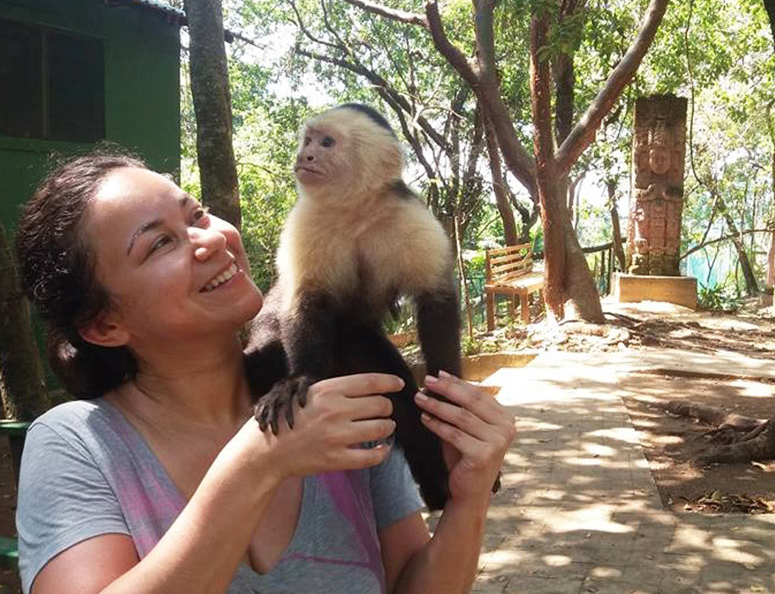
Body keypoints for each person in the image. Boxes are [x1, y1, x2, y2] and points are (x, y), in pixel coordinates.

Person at [14, 153, 515, 594]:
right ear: (104, 324)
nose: (210, 239)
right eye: (160, 244)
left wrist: (468, 500)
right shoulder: (76, 444)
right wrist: (256, 464)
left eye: (198, 214)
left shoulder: (338, 403)